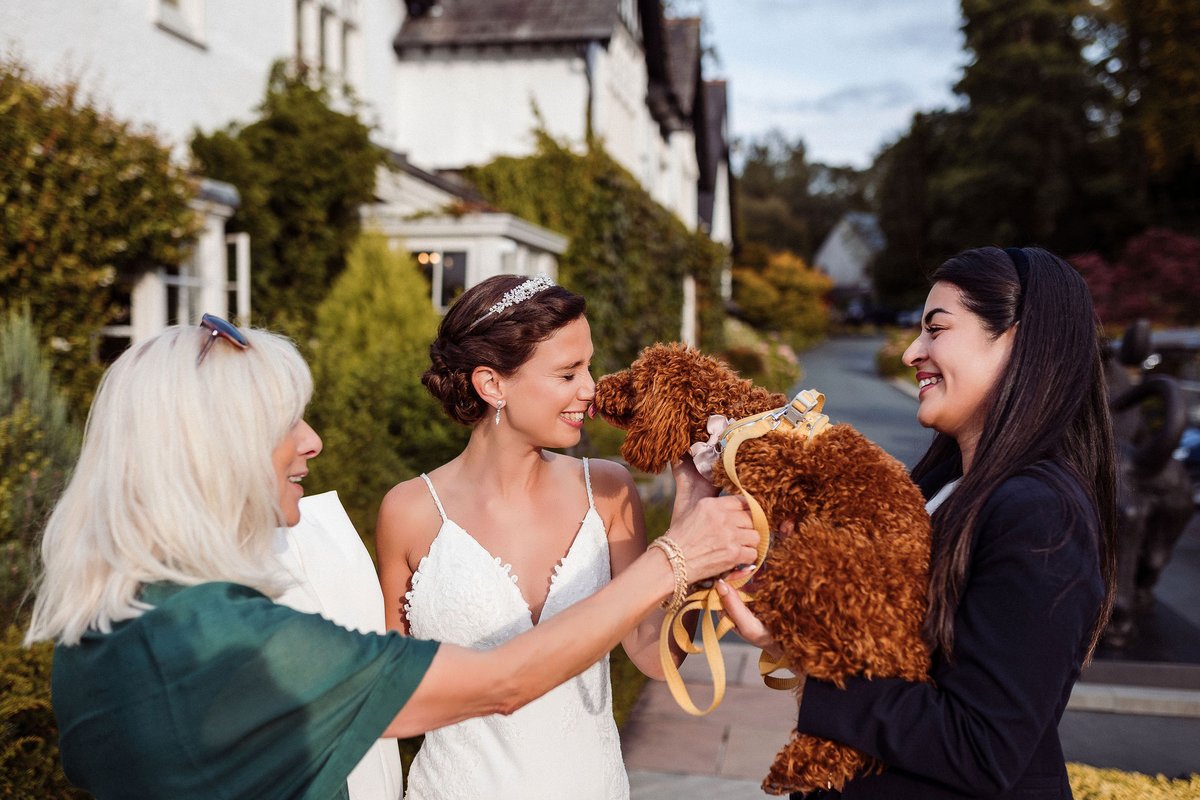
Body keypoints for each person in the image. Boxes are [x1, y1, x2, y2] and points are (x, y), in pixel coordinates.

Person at [24, 314, 757, 800]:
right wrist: (674, 557)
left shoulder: (98, 636)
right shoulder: (234, 641)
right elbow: (503, 681)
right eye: (286, 423)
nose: (312, 441)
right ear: (207, 455)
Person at [719, 246, 1117, 800]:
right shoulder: (944, 488)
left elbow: (983, 746)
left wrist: (815, 661)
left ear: (1020, 340)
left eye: (936, 329)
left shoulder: (1040, 513)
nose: (912, 352)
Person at [376, 274, 707, 799]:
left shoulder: (609, 490)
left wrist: (692, 511)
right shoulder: (409, 511)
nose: (591, 387)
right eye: (568, 372)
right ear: (492, 385)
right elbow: (389, 696)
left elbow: (655, 655)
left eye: (589, 365)